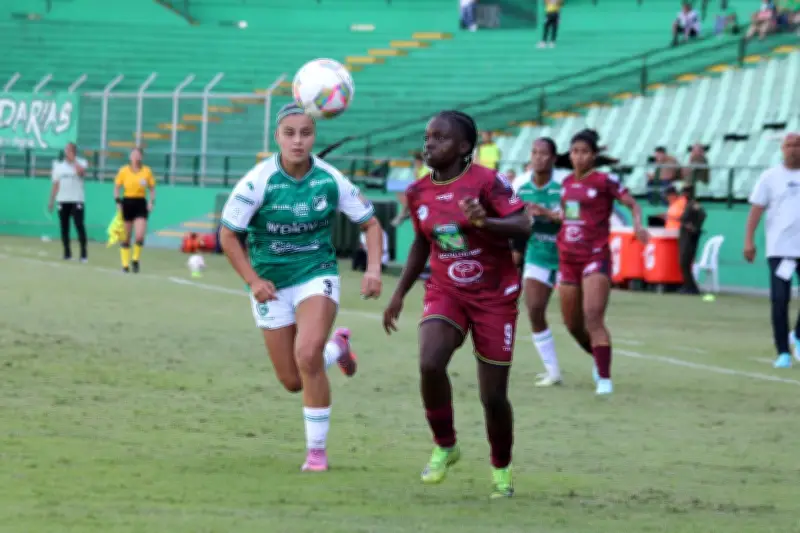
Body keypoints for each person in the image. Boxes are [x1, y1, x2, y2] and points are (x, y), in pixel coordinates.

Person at [219, 103, 384, 471]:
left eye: (305, 133)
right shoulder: (258, 181)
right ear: (276, 136)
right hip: (271, 285)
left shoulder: (329, 179)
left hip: (316, 274)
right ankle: (337, 348)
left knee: (307, 355)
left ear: (314, 135)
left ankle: (316, 454)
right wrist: (253, 280)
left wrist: (373, 268)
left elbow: (371, 224)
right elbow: (228, 235)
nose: (298, 140)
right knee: (293, 380)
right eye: (289, 133)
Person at [382, 110, 531, 498]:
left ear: (465, 147)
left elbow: (523, 224)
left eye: (441, 138)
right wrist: (399, 294)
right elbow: (421, 243)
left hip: (495, 296)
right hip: (447, 289)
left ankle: (501, 468)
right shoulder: (417, 192)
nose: (430, 143)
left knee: (492, 397)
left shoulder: (486, 182)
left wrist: (486, 224)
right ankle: (446, 445)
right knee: (430, 362)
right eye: (428, 136)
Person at [558, 130, 648, 395]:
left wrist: (638, 225)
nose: (579, 156)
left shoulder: (604, 181)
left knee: (593, 315)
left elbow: (632, 204)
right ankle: (599, 358)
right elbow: (569, 217)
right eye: (575, 151)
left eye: (584, 151)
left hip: (594, 256)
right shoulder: (565, 183)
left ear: (594, 155)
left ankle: (604, 379)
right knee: (573, 325)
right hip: (567, 258)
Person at [744, 132, 800, 369]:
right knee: (780, 299)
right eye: (788, 145)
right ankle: (783, 352)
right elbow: (756, 210)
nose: (793, 149)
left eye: (797, 145)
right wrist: (749, 240)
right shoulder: (770, 177)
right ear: (781, 149)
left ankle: (797, 333)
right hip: (780, 250)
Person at [511, 137, 564, 386]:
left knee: (579, 319)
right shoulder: (520, 186)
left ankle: (600, 365)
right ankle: (552, 371)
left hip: (567, 255)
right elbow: (510, 218)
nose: (538, 157)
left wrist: (544, 213)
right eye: (534, 152)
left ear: (553, 158)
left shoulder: (563, 186)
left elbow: (573, 219)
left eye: (543, 153)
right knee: (534, 308)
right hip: (537, 253)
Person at [113, 147, 156, 273]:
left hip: (140, 203)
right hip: (127, 202)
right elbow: (116, 188)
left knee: (139, 235)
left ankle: (135, 259)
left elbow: (152, 189)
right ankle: (125, 265)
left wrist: (151, 202)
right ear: (130, 157)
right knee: (126, 237)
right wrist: (118, 201)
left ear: (141, 157)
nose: (136, 157)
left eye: (138, 155)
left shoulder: (146, 171)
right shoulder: (123, 171)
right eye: (133, 154)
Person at [48, 142, 88, 262]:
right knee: (64, 227)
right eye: (67, 150)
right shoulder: (58, 167)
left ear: (74, 151)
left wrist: (74, 161)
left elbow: (81, 173)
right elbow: (55, 184)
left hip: (77, 199)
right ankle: (67, 252)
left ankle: (83, 253)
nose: (68, 152)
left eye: (70, 150)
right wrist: (51, 200)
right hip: (63, 200)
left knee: (79, 225)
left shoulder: (81, 162)